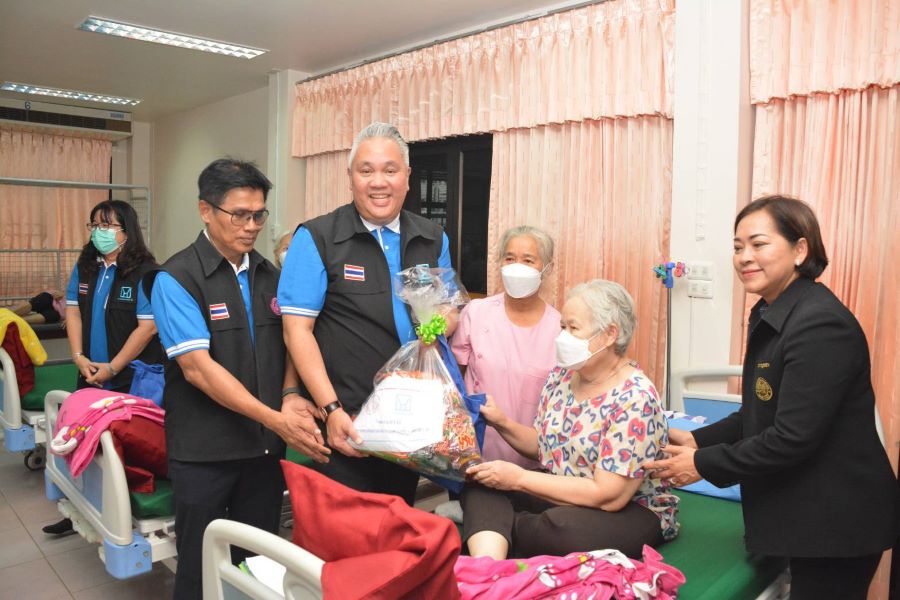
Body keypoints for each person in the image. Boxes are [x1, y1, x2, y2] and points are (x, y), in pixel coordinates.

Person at [645, 195, 898, 600]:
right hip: (811, 510)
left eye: (759, 244)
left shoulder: (819, 324)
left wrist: (702, 464)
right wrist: (697, 438)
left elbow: (792, 437)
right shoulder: (772, 311)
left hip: (838, 518)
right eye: (737, 246)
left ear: (800, 250)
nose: (744, 257)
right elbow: (761, 409)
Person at [150, 158, 329, 600]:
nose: (251, 227)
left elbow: (292, 340)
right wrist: (275, 419)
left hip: (263, 452)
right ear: (205, 210)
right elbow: (198, 369)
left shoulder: (270, 275)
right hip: (205, 455)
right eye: (240, 215)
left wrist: (290, 393)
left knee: (257, 565)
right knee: (200, 567)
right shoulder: (176, 278)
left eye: (259, 215)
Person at [279, 122, 453, 506]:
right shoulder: (318, 238)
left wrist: (440, 320)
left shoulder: (432, 237)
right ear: (350, 177)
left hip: (406, 419)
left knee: (396, 522)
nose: (378, 182)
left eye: (390, 170)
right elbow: (296, 331)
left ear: (407, 176)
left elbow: (446, 309)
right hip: (345, 421)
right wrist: (331, 409)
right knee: (343, 531)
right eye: (366, 170)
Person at [462, 279, 679, 560]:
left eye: (573, 328)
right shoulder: (562, 377)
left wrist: (518, 479)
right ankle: (488, 565)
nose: (562, 337)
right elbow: (543, 446)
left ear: (610, 334)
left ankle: (492, 531)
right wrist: (501, 421)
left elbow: (608, 495)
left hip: (627, 509)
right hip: (563, 492)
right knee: (481, 482)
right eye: (562, 327)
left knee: (561, 528)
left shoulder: (635, 397)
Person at [44, 200, 164, 536]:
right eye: (95, 225)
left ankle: (122, 517)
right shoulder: (86, 267)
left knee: (121, 447)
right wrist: (78, 356)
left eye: (108, 225)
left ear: (127, 230)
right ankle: (77, 509)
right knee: (83, 440)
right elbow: (73, 312)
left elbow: (147, 328)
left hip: (127, 375)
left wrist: (113, 367)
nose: (100, 232)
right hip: (88, 371)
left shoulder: (145, 272)